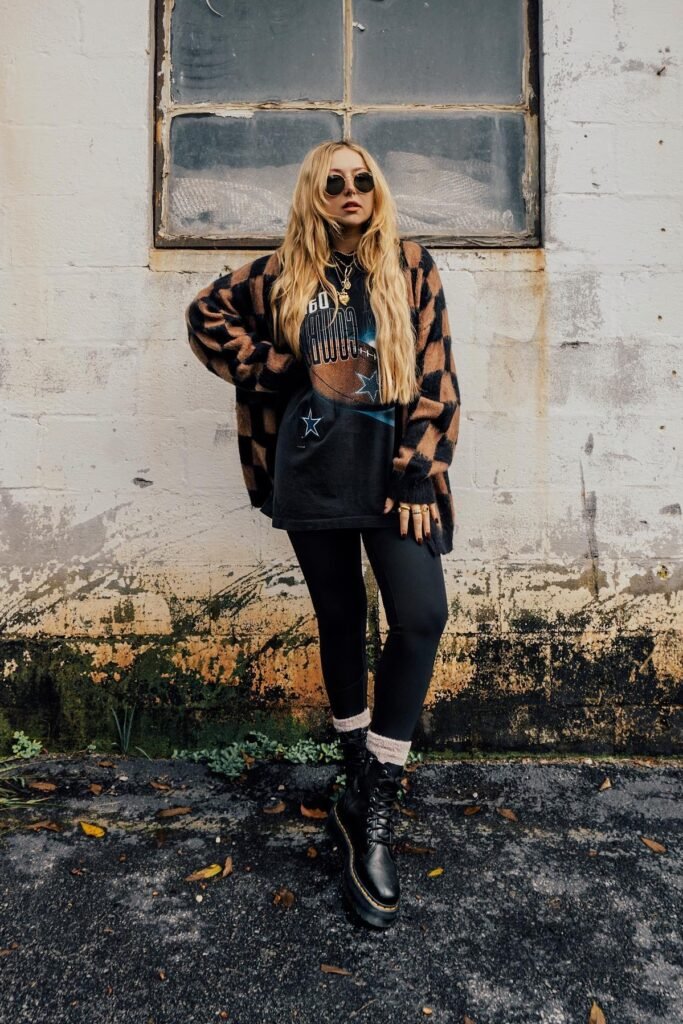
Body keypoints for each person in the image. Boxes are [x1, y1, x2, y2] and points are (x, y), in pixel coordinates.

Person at [185, 140, 461, 929]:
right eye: (333, 181)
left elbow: (437, 375)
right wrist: (277, 369)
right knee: (340, 618)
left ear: (376, 188)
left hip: (392, 475)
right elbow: (205, 316)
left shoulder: (410, 264)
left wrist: (418, 469)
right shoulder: (276, 274)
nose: (350, 190)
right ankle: (356, 783)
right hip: (309, 474)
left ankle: (376, 785)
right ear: (314, 193)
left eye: (361, 179)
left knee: (419, 617)